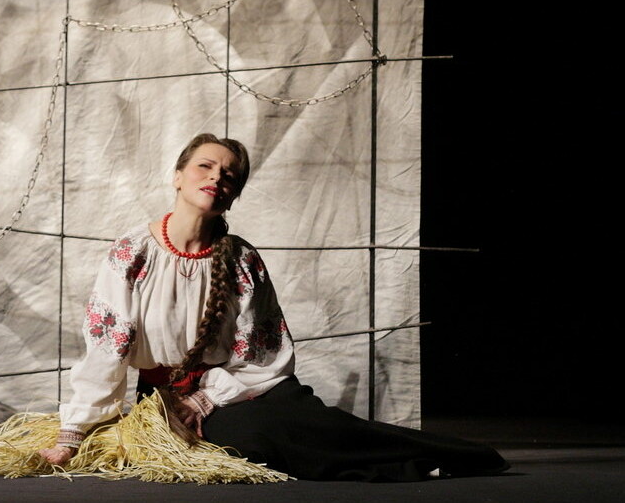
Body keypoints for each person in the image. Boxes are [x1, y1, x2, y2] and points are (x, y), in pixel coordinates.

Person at [34, 133, 509, 482]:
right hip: (169, 400)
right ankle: (412, 466)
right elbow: (107, 348)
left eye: (229, 175)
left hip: (239, 389)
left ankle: (452, 456)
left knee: (310, 426)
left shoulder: (241, 259)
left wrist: (206, 398)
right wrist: (73, 432)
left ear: (233, 194)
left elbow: (263, 357)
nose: (216, 177)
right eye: (204, 166)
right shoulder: (131, 252)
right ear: (178, 177)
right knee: (259, 442)